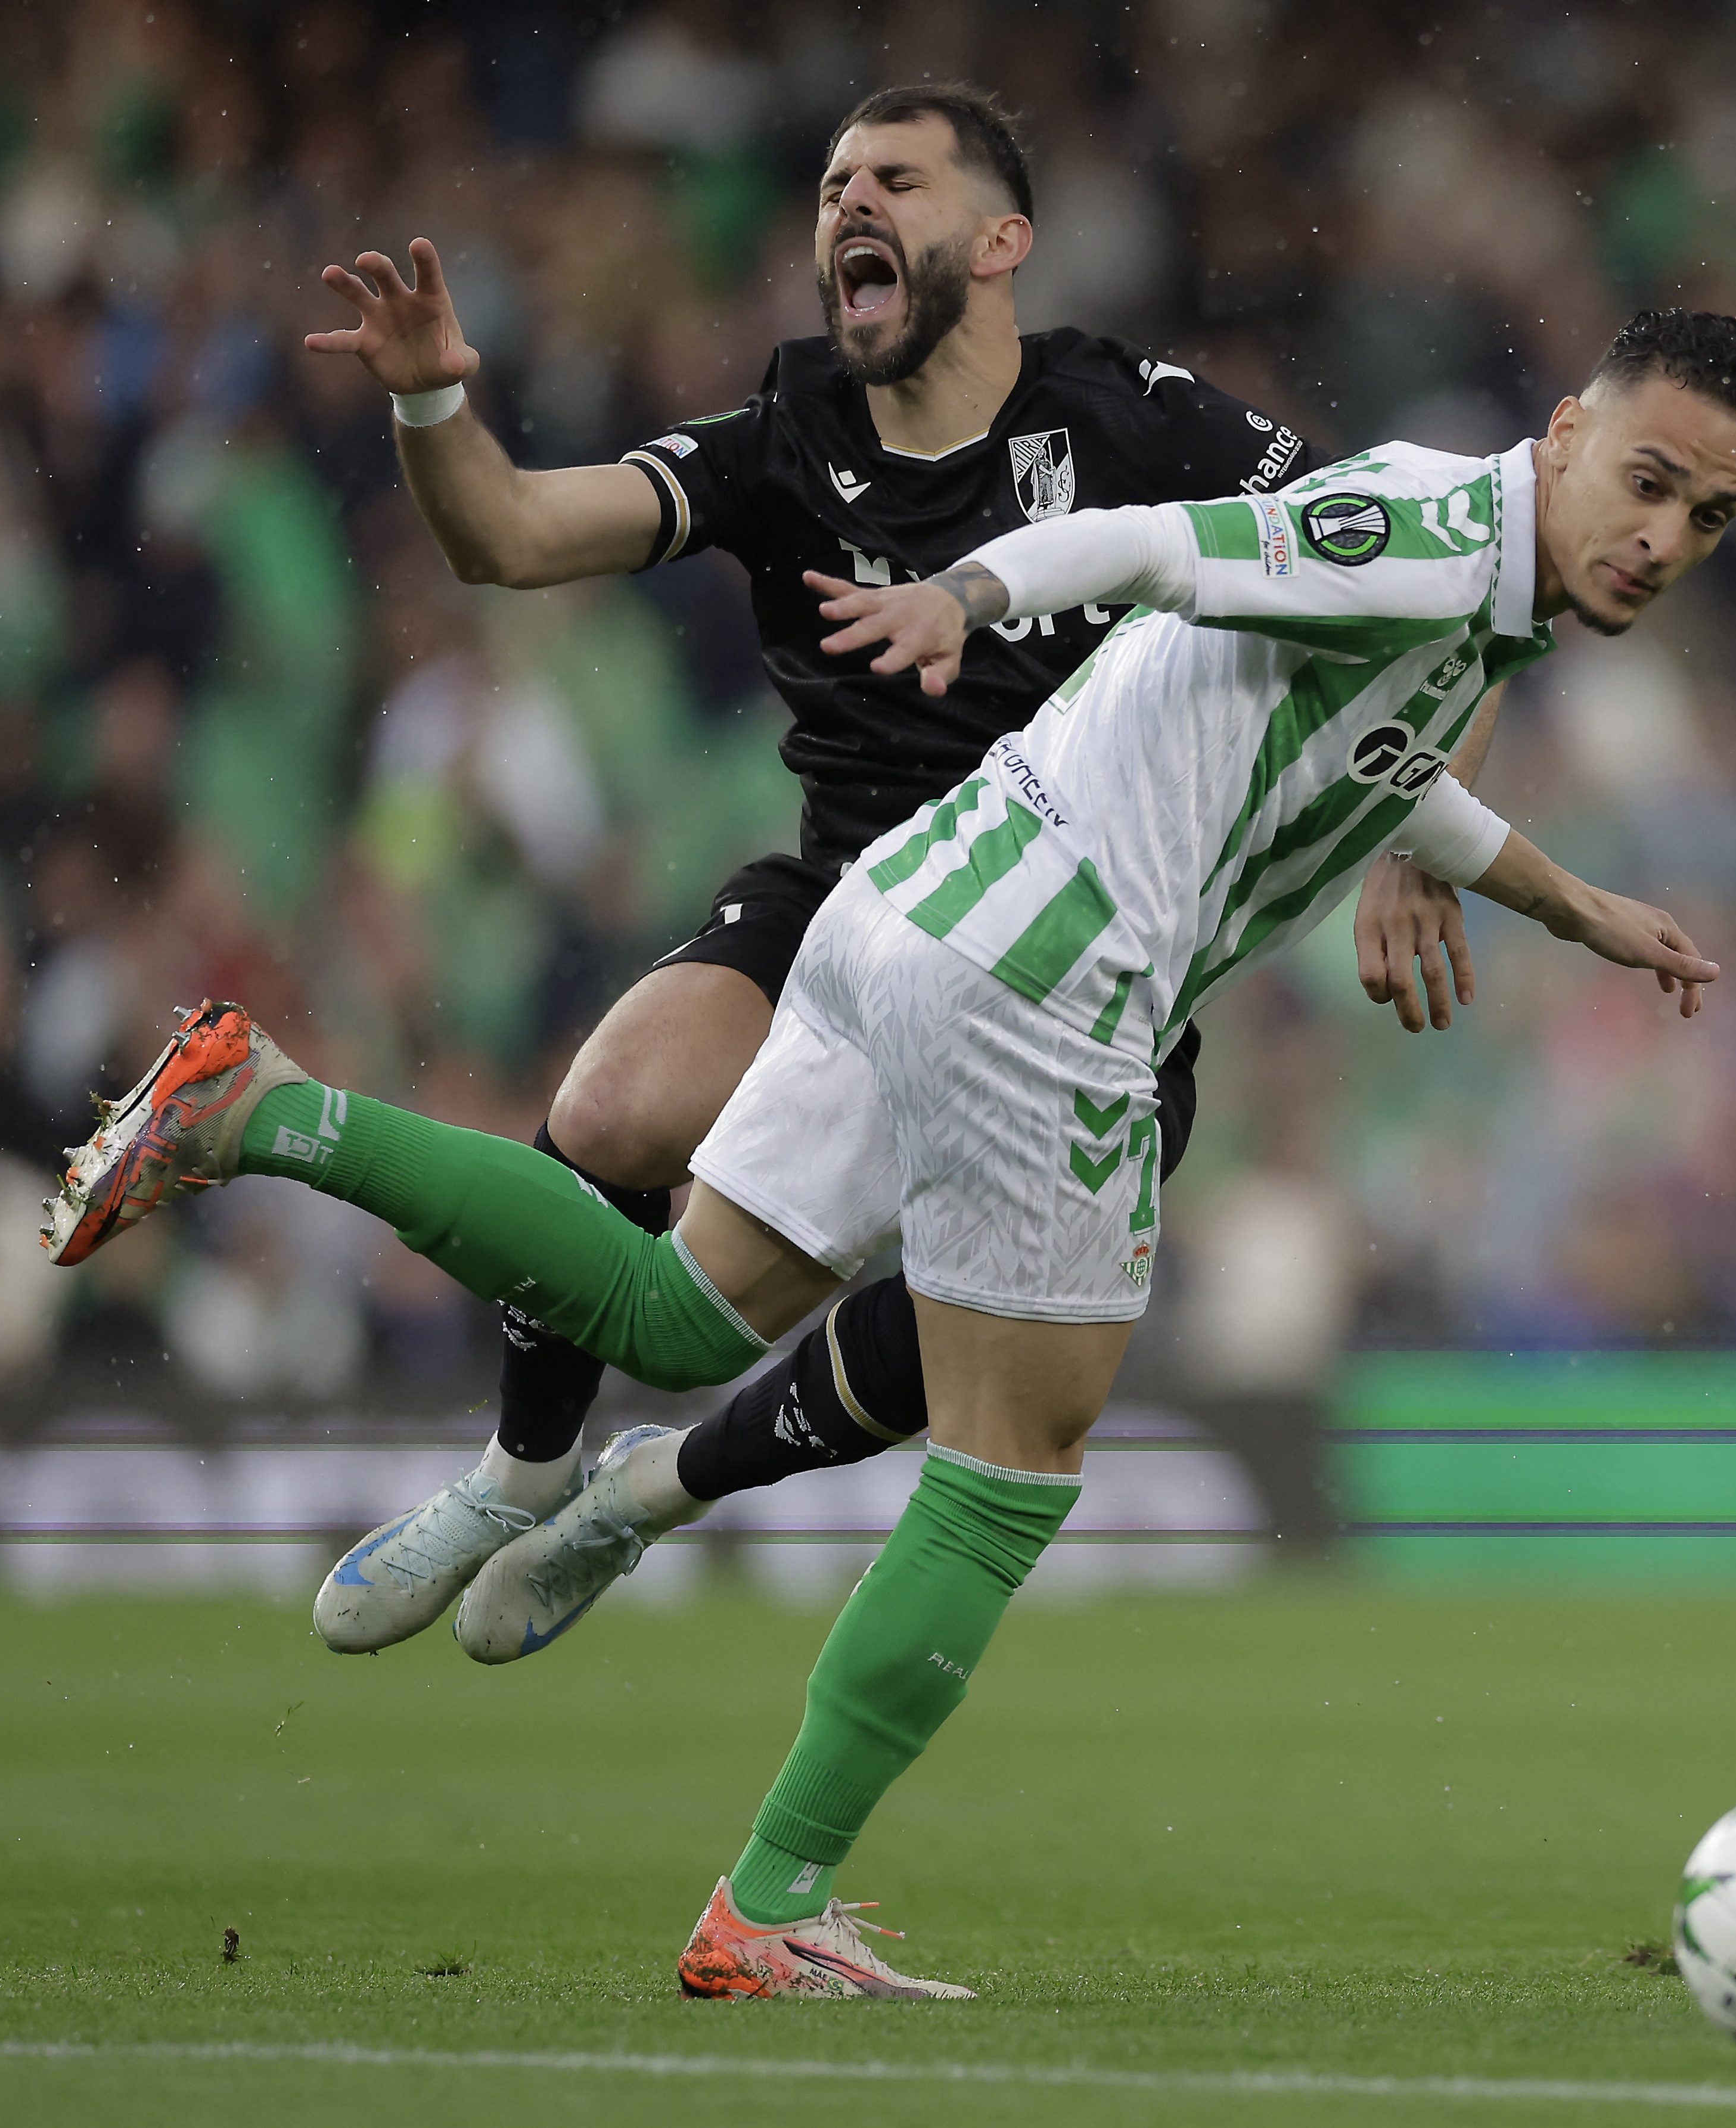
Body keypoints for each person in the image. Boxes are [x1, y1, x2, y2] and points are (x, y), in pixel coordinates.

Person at [40, 305, 1736, 1997]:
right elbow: (1153, 545)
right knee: (1013, 1465)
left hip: (926, 907)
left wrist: (1572, 905)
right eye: (1644, 479)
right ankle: (768, 1903)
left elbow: (1372, 754)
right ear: (1563, 432)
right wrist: (961, 592)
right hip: (1056, 976)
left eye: (1707, 515)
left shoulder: (1473, 591)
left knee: (664, 1316)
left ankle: (265, 1108)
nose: (1663, 535)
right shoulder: (1421, 525)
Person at [285, 82, 1484, 1658]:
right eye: (835, 182)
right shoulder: (784, 437)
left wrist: (1418, 830)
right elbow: (506, 536)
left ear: (1000, 242)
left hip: (1084, 969)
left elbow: (1419, 563)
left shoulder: (1132, 416)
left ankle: (660, 1489)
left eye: (896, 181)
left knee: (963, 1353)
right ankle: (524, 1466)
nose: (848, 203)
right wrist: (436, 407)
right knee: (611, 1110)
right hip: (850, 911)